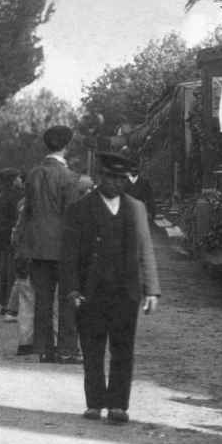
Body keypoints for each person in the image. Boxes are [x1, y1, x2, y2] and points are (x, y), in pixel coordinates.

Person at [62, 152, 160, 424]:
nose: (115, 183)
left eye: (120, 179)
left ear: (126, 180)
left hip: (126, 291)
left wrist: (151, 289)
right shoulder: (79, 209)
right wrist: (72, 290)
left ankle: (118, 405)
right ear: (99, 177)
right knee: (92, 349)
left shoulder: (136, 207)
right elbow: (68, 254)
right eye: (109, 177)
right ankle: (94, 403)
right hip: (90, 293)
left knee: (123, 349)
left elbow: (146, 250)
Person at [19, 125, 80, 363]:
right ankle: (66, 349)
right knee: (67, 299)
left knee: (42, 300)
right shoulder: (70, 177)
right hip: (63, 248)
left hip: (36, 246)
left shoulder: (33, 174)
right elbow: (72, 217)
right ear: (66, 146)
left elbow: (27, 213)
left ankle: (43, 348)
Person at [0, 168, 23, 317]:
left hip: (1, 235)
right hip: (11, 235)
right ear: (13, 180)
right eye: (18, 178)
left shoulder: (0, 196)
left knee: (5, 270)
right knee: (12, 271)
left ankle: (3, 302)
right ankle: (10, 304)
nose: (20, 181)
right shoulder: (15, 196)